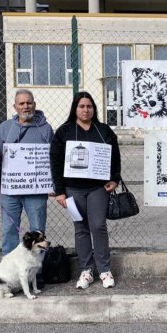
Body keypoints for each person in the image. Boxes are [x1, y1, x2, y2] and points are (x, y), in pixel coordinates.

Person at [50, 91, 121, 289]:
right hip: (73, 190)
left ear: (94, 109)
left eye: (89, 106)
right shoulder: (64, 132)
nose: (85, 110)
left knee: (98, 226)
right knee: (81, 229)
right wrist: (60, 191)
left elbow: (115, 156)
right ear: (75, 108)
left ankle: (104, 270)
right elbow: (55, 162)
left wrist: (114, 179)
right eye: (81, 106)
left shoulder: (103, 130)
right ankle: (86, 270)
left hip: (97, 188)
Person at [0, 89, 54, 255]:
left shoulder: (46, 129)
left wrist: (53, 183)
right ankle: (10, 272)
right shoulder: (5, 128)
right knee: (9, 231)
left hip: (36, 191)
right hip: (10, 191)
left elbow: (53, 159)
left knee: (38, 231)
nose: (26, 106)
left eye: (29, 102)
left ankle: (37, 274)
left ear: (34, 104)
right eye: (22, 103)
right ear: (15, 107)